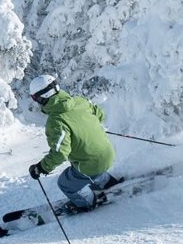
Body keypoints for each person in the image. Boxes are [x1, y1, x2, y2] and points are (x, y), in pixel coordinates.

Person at [26, 74, 118, 212]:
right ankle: (107, 182)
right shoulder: (79, 101)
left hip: (91, 164)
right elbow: (100, 114)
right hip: (108, 154)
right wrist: (86, 127)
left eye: (34, 98)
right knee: (87, 161)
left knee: (65, 183)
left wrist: (41, 168)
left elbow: (60, 153)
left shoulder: (56, 121)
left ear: (41, 98)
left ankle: (85, 204)